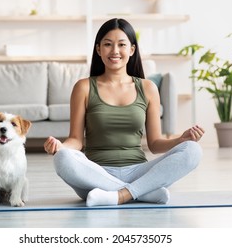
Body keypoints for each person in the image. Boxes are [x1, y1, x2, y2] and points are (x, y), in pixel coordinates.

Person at [44, 18, 204, 207]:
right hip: (96, 174)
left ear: (132, 50)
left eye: (121, 44)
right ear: (98, 50)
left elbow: (154, 144)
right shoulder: (84, 87)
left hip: (138, 171)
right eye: (108, 45)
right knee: (62, 159)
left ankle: (120, 195)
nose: (115, 51)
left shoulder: (148, 88)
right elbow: (76, 141)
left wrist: (181, 140)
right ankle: (142, 192)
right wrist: (60, 147)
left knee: (193, 150)